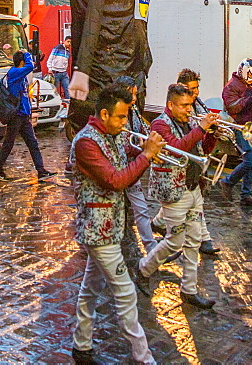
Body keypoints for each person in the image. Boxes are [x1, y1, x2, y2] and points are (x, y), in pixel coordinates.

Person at [69, 84, 164, 365]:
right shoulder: (87, 142)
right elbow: (116, 180)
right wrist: (146, 155)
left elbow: (125, 161)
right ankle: (143, 357)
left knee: (90, 289)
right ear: (104, 114)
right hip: (97, 229)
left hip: (110, 227)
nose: (125, 123)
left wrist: (146, 150)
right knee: (125, 290)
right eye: (121, 117)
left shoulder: (109, 135)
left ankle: (81, 345)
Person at [66, 0, 152, 136]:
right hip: (107, 72)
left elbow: (140, 25)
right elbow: (89, 25)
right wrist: (82, 71)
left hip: (125, 70)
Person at [136, 84, 220, 309]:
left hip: (193, 187)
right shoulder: (159, 124)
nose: (188, 110)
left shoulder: (192, 122)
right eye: (183, 106)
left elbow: (203, 149)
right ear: (170, 105)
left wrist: (211, 135)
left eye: (190, 105)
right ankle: (144, 268)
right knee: (175, 240)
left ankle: (189, 290)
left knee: (193, 242)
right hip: (173, 190)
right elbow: (177, 148)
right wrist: (201, 128)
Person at [175, 68, 221, 256]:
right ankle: (203, 239)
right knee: (191, 204)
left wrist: (214, 133)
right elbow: (183, 141)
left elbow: (204, 143)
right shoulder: (179, 109)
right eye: (190, 88)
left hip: (197, 162)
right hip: (184, 164)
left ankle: (204, 239)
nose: (195, 92)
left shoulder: (198, 106)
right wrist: (202, 128)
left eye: (196, 88)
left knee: (196, 203)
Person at [0, 50, 55, 181]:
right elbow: (30, 66)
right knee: (8, 143)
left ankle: (41, 171)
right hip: (16, 116)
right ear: (21, 62)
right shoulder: (14, 72)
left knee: (33, 144)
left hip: (23, 115)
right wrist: (27, 53)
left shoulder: (19, 75)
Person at [112, 74, 155, 254]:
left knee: (142, 209)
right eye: (133, 95)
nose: (136, 99)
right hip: (118, 170)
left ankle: (152, 249)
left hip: (132, 169)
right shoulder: (113, 114)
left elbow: (137, 133)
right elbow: (122, 145)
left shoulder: (134, 111)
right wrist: (143, 151)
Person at [219, 59, 252, 207]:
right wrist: (251, 99)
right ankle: (227, 181)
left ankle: (246, 194)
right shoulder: (231, 86)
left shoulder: (250, 83)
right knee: (249, 161)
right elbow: (232, 107)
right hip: (241, 127)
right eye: (250, 73)